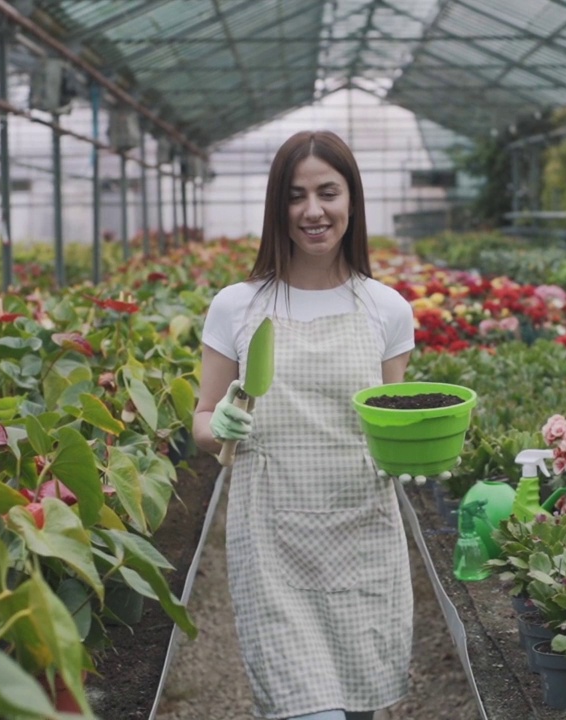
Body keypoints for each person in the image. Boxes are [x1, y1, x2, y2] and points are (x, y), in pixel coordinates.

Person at [192, 130, 417, 720]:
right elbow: (201, 422)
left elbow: (390, 427)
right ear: (277, 208)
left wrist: (426, 447)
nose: (313, 211)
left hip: (362, 535)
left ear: (352, 201)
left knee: (358, 707)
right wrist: (223, 423)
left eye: (327, 193)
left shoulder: (386, 308)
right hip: (273, 539)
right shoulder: (237, 306)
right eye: (295, 196)